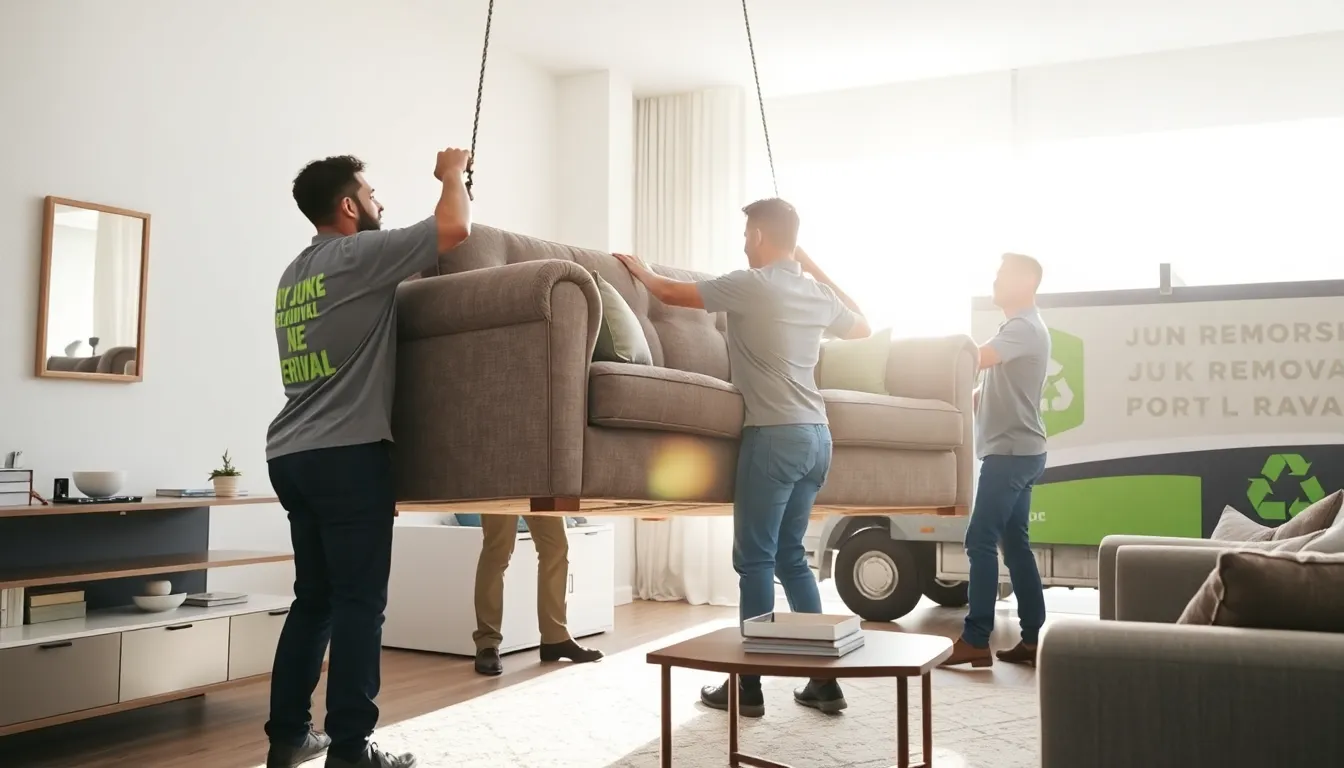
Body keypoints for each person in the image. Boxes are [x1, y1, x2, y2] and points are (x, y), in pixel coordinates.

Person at [614, 198, 870, 718]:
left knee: (754, 561)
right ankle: (824, 683)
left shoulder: (751, 284)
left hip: (774, 437)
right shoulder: (815, 292)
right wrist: (811, 264)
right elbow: (863, 326)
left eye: (746, 234)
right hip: (818, 439)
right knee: (791, 556)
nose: (742, 243)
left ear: (756, 234)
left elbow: (666, 291)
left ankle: (746, 687)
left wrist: (637, 267)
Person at [263, 148, 473, 768]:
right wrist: (452, 176)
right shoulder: (357, 255)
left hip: (291, 453)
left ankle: (289, 737)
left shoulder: (293, 274)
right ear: (349, 206)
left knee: (316, 600)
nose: (381, 204)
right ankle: (352, 751)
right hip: (347, 455)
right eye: (373, 194)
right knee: (359, 604)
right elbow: (454, 228)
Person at [941, 252, 1049, 669]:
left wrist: (946, 353)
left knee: (979, 540)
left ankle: (975, 638)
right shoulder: (1021, 328)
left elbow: (977, 358)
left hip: (1009, 454)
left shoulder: (1022, 327)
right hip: (1022, 451)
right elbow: (994, 388)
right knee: (1015, 544)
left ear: (1025, 283)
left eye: (1002, 274)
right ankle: (1033, 639)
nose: (995, 280)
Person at [472, 514, 605, 675]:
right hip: (499, 488)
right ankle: (487, 643)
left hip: (543, 488)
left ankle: (555, 638)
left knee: (556, 546)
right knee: (497, 549)